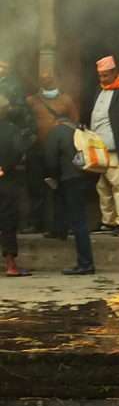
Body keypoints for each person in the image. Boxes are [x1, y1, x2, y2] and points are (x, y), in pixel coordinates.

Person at [87, 55, 119, 235]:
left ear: (116, 73)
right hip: (99, 149)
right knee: (103, 186)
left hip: (116, 148)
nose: (102, 79)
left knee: (118, 185)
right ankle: (107, 221)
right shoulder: (99, 90)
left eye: (106, 76)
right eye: (100, 76)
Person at [26, 71, 78, 237]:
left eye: (49, 77)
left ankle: (62, 225)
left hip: (60, 152)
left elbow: (74, 123)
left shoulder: (66, 100)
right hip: (37, 150)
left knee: (61, 188)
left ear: (57, 79)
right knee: (35, 187)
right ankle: (36, 223)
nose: (46, 80)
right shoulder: (31, 101)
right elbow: (25, 123)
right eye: (43, 78)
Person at [44, 118, 95, 275]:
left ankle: (85, 263)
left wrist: (52, 176)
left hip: (68, 178)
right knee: (77, 215)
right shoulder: (79, 132)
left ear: (55, 121)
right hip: (83, 177)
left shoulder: (56, 132)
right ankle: (59, 229)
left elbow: (50, 160)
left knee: (79, 222)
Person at [0, 95, 32, 276]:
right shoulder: (12, 130)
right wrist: (5, 167)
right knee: (7, 222)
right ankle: (11, 265)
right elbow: (18, 152)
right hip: (6, 180)